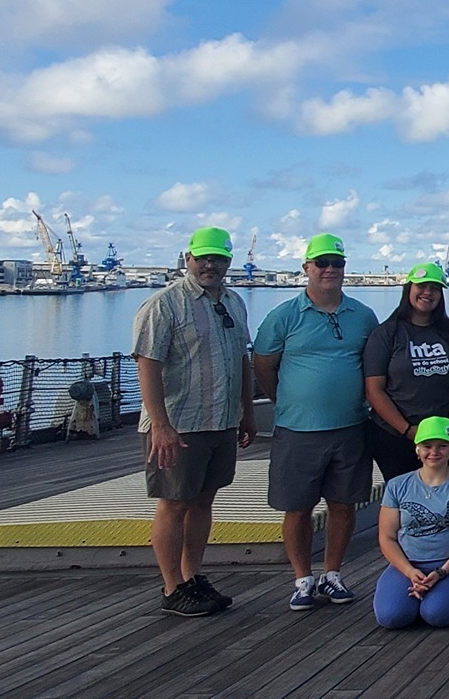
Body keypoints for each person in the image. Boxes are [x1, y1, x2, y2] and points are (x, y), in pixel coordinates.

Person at [132, 226, 256, 617]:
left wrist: (247, 411)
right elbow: (147, 364)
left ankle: (193, 576)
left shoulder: (234, 302)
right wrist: (161, 425)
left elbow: (241, 359)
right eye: (203, 257)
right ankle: (172, 587)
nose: (210, 265)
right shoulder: (164, 305)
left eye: (218, 258)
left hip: (219, 419)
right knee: (174, 503)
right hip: (180, 424)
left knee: (204, 500)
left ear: (228, 262)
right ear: (188, 258)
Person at [253, 233, 380, 612]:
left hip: (350, 426)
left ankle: (333, 573)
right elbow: (263, 367)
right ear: (306, 268)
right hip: (298, 429)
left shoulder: (363, 315)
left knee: (344, 505)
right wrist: (288, 401)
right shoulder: (282, 317)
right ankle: (302, 579)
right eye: (321, 263)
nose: (329, 270)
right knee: (298, 507)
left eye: (336, 264)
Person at [363, 261, 449, 481]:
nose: (428, 292)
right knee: (401, 503)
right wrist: (407, 430)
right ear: (409, 290)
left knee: (448, 499)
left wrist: (448, 427)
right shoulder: (386, 334)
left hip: (445, 437)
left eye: (434, 288)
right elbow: (374, 390)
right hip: (396, 438)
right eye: (421, 286)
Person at [373, 416, 449, 629]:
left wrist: (442, 572)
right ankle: (418, 596)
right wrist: (409, 572)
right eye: (427, 445)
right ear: (417, 449)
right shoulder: (397, 485)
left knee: (439, 615)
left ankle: (447, 594)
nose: (434, 452)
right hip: (408, 565)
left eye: (442, 446)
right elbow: (387, 537)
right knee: (391, 617)